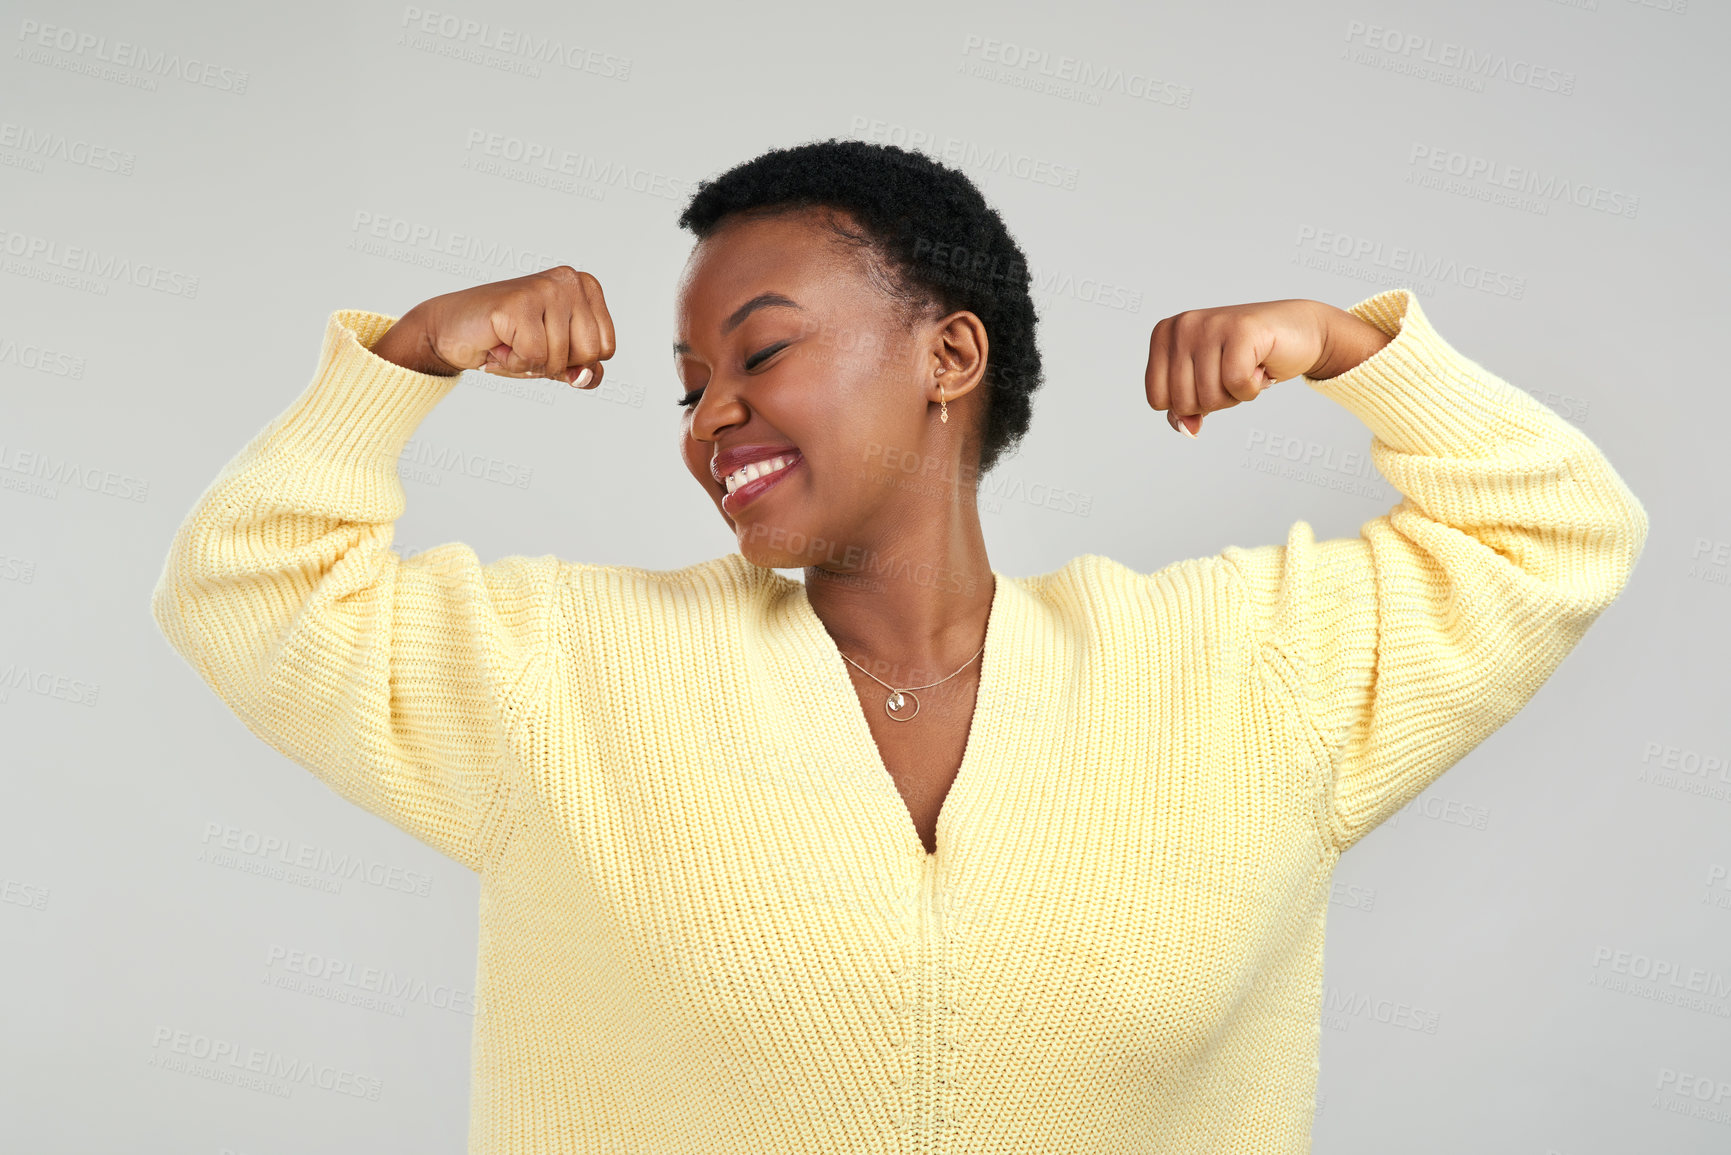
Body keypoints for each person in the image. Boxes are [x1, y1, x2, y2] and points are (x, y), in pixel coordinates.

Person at [150, 138, 1648, 1153]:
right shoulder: (570, 673)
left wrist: (1355, 350)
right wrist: (408, 361)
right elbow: (250, 588)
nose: (713, 411)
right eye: (686, 386)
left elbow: (1554, 533)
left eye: (764, 349)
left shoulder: (1240, 671)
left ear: (950, 355)